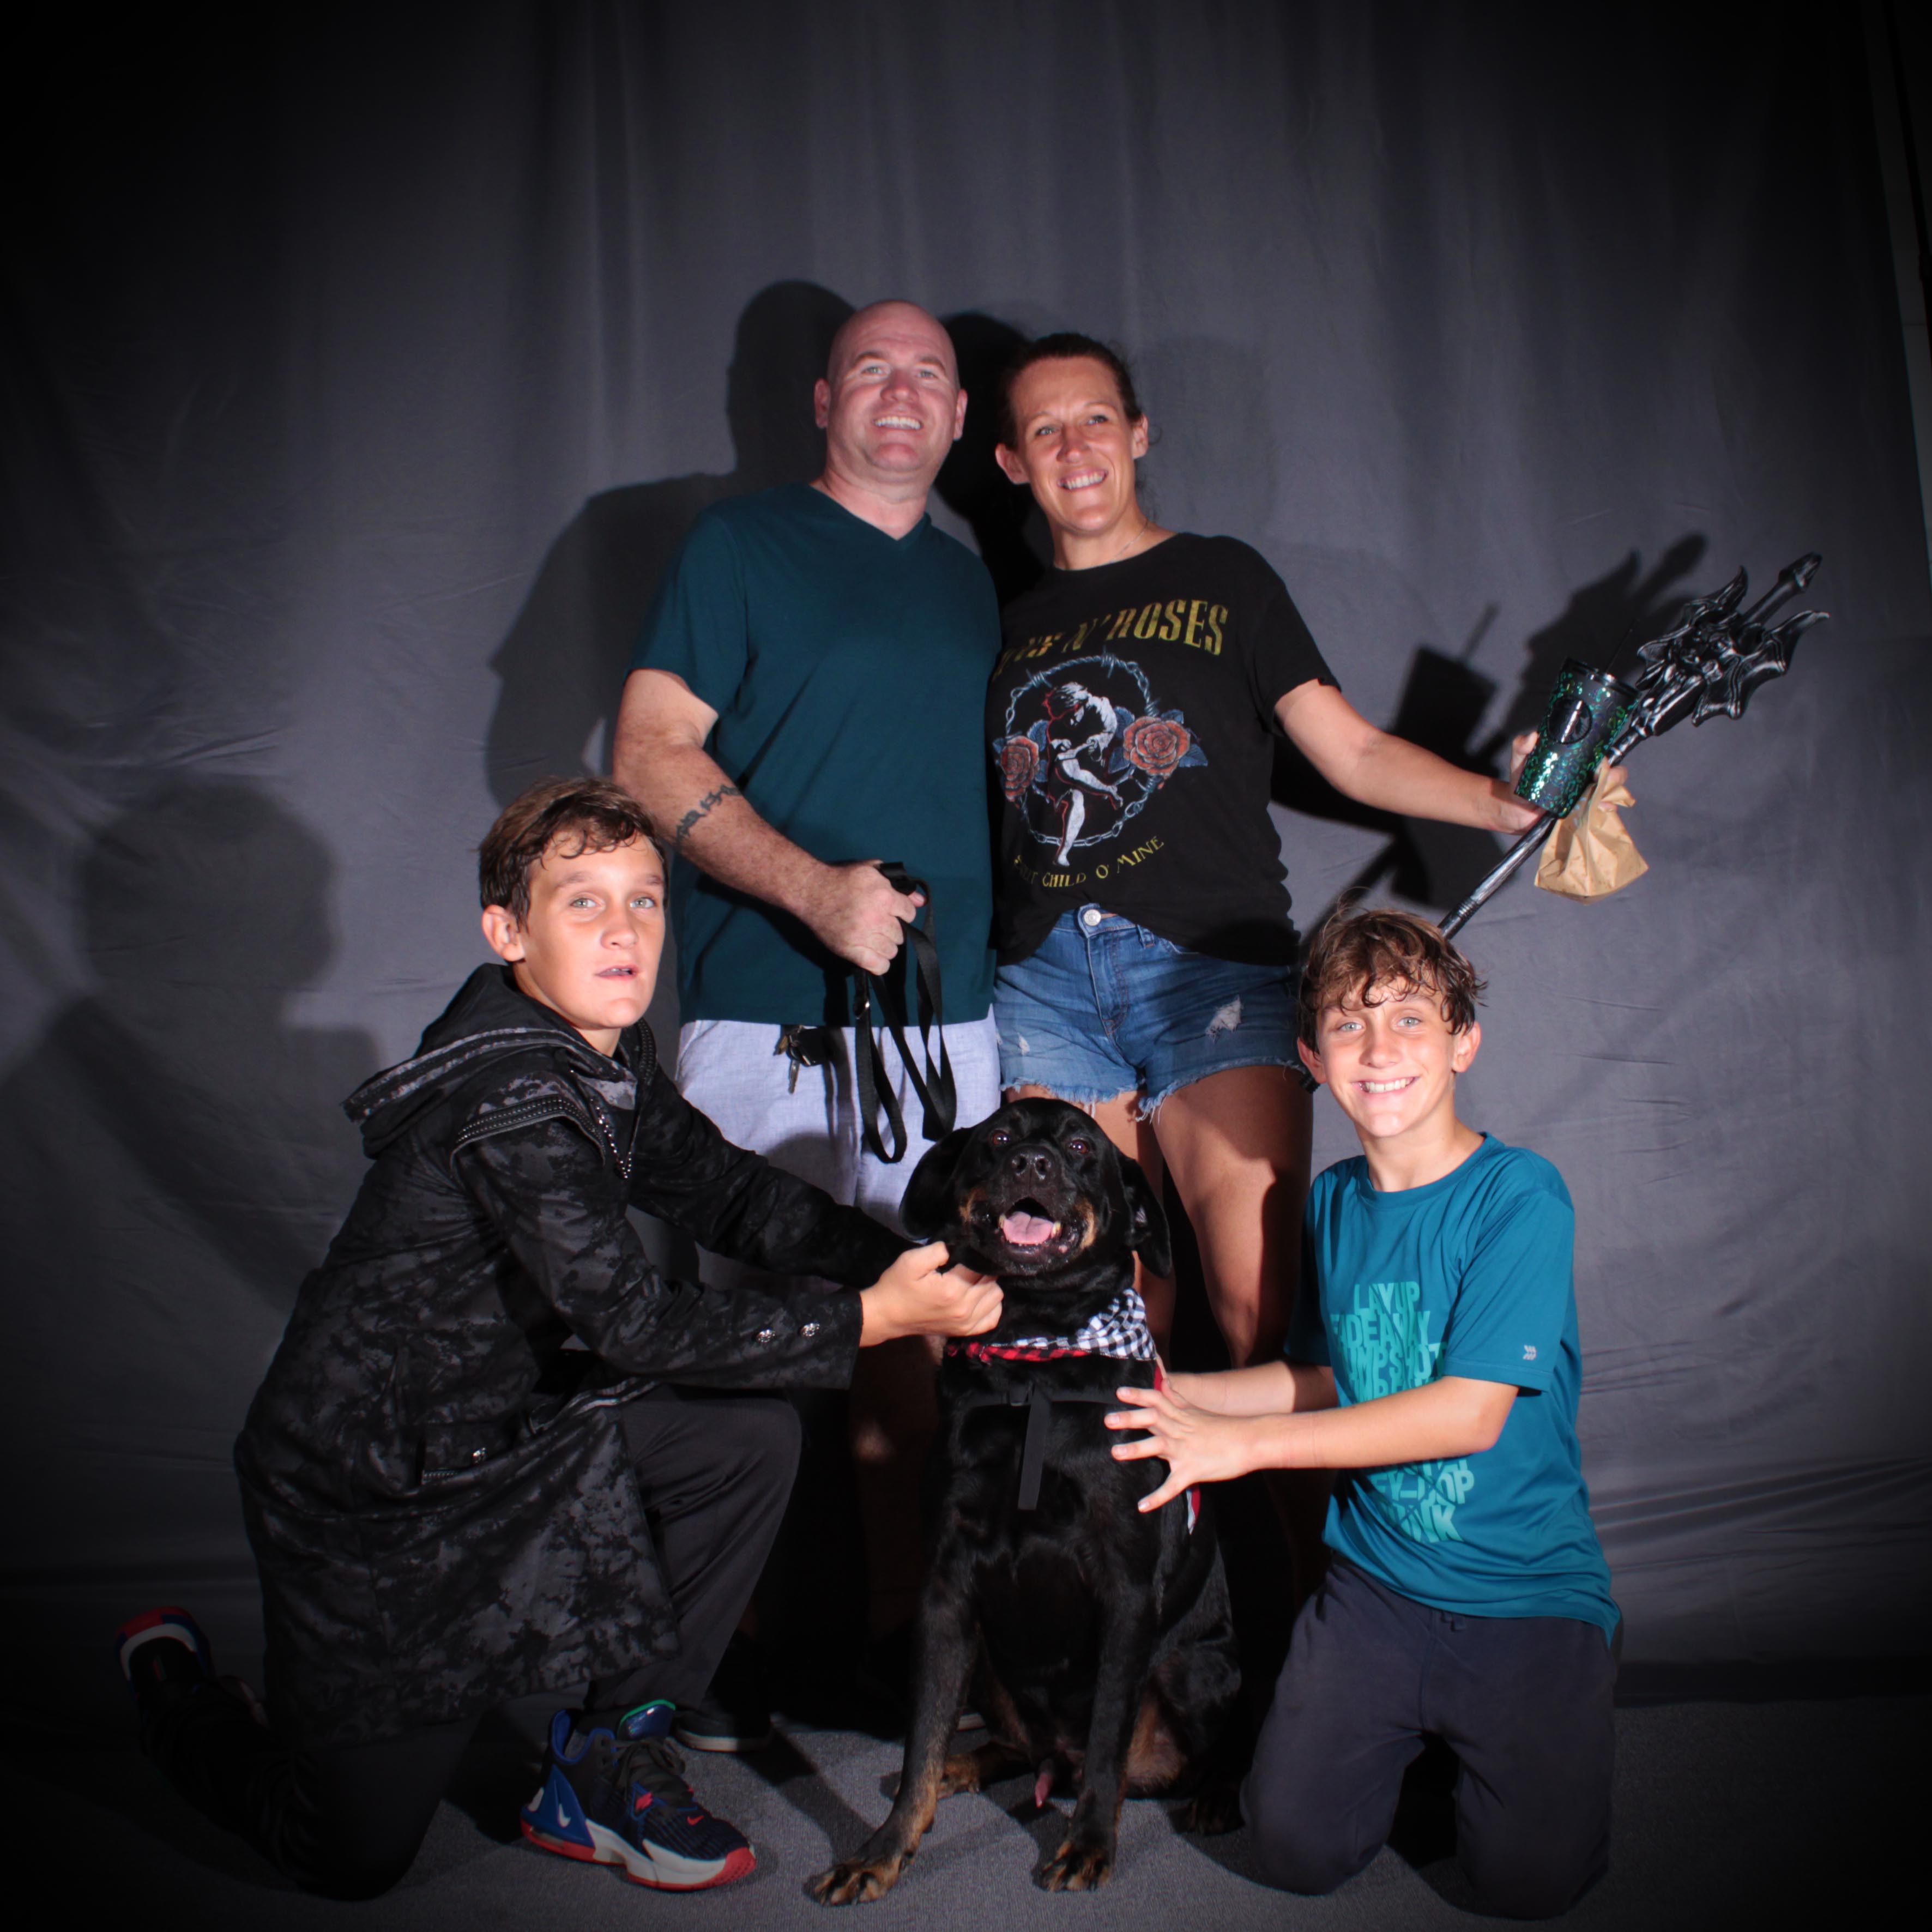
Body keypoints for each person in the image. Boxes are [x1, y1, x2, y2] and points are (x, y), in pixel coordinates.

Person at [116, 777, 1000, 1900]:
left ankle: (607, 1756)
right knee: (348, 1853)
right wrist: (879, 1316)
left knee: (743, 1440)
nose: (624, 931)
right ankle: (179, 1694)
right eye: (583, 902)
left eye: (644, 899)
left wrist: (908, 1265)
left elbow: (730, 1194)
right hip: (375, 1490)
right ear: (509, 931)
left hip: (511, 1429)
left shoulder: (598, 1054)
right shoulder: (512, 1094)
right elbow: (633, 1321)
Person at [987, 333, 1549, 1388]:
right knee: (1094, 1321)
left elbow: (1354, 751)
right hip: (1048, 986)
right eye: (1045, 429)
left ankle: (1306, 1511)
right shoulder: (1003, 623)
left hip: (1210, 970)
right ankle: (1122, 1505)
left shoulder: (1224, 578)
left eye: (1096, 418)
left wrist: (1496, 800)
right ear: (1014, 461)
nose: (1075, 447)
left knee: (1256, 1310)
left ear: (1138, 433)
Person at [612, 300, 1003, 1669]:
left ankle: (907, 1651)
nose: (900, 392)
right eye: (870, 369)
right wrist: (811, 889)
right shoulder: (740, 546)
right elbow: (647, 751)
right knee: (751, 1345)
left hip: (946, 1028)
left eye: (928, 374)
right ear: (824, 400)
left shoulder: (977, 585)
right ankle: (716, 1661)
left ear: (959, 416)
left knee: (925, 1343)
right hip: (763, 1012)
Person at [1108, 907, 1617, 1918]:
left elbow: (1467, 1416)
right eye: (1348, 1025)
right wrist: (1160, 1392)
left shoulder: (1521, 1195)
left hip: (1520, 1597)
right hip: (1375, 1590)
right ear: (1311, 1057)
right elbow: (1326, 1377)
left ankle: (1528, 1737)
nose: (1379, 1050)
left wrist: (1240, 1448)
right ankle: (1407, 1738)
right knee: (1293, 1846)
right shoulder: (1336, 1200)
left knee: (1526, 1882)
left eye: (1410, 1020)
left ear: (1464, 1042)